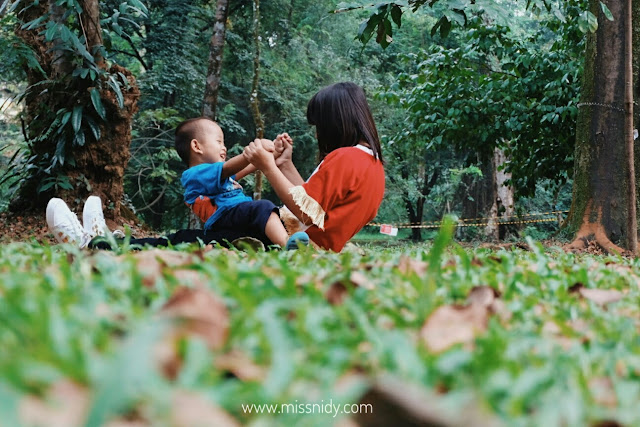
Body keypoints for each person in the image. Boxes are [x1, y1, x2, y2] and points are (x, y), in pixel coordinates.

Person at [46, 118, 309, 250]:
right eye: (219, 141)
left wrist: (272, 154)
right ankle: (289, 245)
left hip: (236, 227)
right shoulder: (195, 175)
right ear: (196, 146)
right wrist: (249, 154)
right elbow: (234, 166)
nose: (224, 147)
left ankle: (100, 242)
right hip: (229, 218)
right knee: (262, 206)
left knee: (176, 241)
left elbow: (253, 166)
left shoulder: (221, 176)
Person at [243, 82, 385, 252]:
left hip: (295, 239)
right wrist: (285, 164)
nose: (318, 134)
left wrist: (267, 167)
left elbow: (307, 213)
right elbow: (314, 203)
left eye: (319, 126)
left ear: (336, 123)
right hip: (319, 245)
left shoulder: (346, 157)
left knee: (257, 210)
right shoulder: (373, 165)